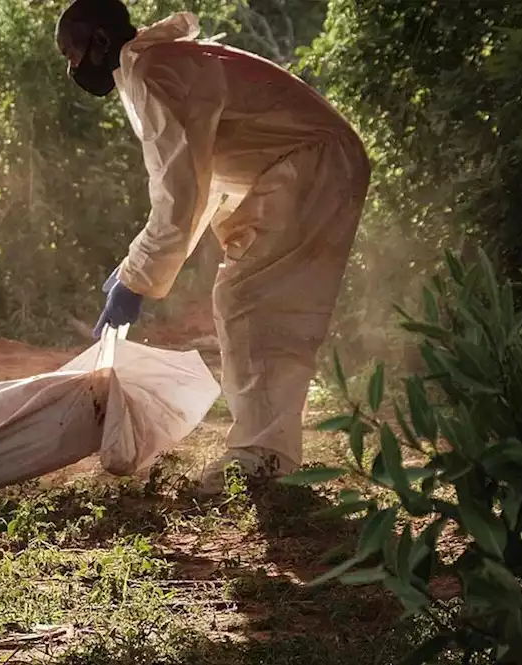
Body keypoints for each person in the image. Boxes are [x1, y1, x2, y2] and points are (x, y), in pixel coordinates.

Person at [56, 0, 371, 492]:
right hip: (310, 162)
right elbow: (199, 185)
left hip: (313, 162)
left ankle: (261, 459)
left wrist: (139, 276)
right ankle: (268, 454)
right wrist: (135, 268)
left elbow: (180, 195)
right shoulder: (159, 65)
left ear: (99, 42)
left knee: (248, 299)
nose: (70, 68)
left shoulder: (154, 72)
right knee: (254, 299)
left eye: (71, 53)